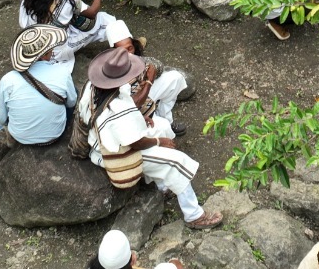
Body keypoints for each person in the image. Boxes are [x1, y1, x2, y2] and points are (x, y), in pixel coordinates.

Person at [77, 48, 223, 228]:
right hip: (113, 153)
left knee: (162, 128)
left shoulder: (91, 87)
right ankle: (194, 216)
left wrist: (137, 118)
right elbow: (135, 142)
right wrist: (159, 142)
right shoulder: (117, 108)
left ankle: (162, 187)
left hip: (101, 139)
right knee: (176, 162)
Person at [103, 17, 190, 135]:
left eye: (130, 48)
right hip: (129, 111)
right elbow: (130, 105)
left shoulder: (135, 58)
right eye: (122, 51)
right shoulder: (109, 71)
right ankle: (159, 124)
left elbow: (158, 66)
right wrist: (148, 82)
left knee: (175, 78)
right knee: (163, 128)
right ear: (113, 51)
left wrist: (148, 71)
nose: (128, 54)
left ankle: (165, 117)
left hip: (144, 93)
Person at [0, 25, 75, 145]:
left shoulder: (8, 80)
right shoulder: (63, 73)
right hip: (55, 135)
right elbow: (71, 103)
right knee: (73, 92)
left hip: (20, 138)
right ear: (45, 54)